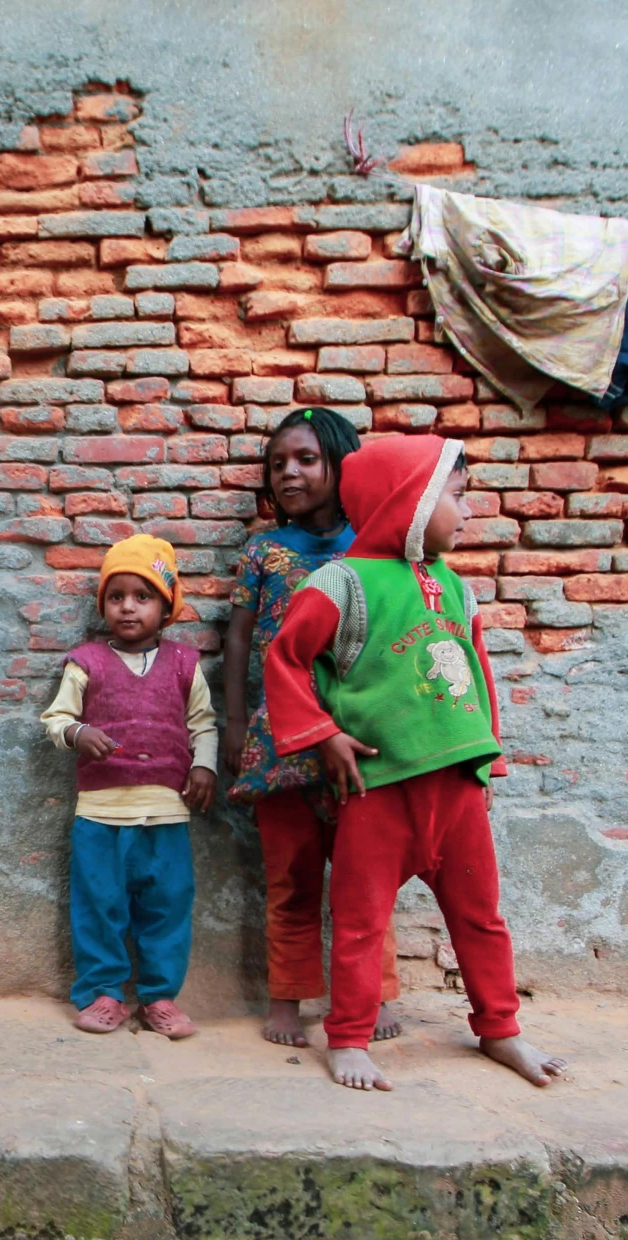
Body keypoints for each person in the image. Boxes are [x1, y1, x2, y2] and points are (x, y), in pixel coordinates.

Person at [263, 434, 567, 1093]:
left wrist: (490, 761)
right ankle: (348, 1038)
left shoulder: (457, 589)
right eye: (455, 498)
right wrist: (322, 733)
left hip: (457, 790)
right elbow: (285, 658)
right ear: (411, 500)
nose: (465, 513)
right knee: (361, 920)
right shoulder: (343, 582)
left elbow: (479, 673)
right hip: (380, 790)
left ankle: (500, 1027)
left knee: (482, 915)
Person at [221, 408, 403, 1049]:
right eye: (278, 465)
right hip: (278, 740)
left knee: (366, 876)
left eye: (305, 460)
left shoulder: (374, 546)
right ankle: (286, 1000)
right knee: (290, 874)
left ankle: (371, 993)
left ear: (340, 464)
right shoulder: (265, 551)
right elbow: (240, 638)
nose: (289, 473)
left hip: (360, 736)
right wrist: (235, 723)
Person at [41, 534, 218, 1039]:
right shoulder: (86, 662)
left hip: (166, 814)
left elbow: (202, 723)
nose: (127, 607)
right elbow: (56, 718)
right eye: (116, 597)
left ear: (166, 607)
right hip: (100, 815)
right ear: (103, 606)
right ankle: (103, 994)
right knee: (99, 905)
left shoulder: (186, 665)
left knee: (167, 905)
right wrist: (78, 732)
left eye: (143, 597)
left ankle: (160, 998)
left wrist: (203, 768)